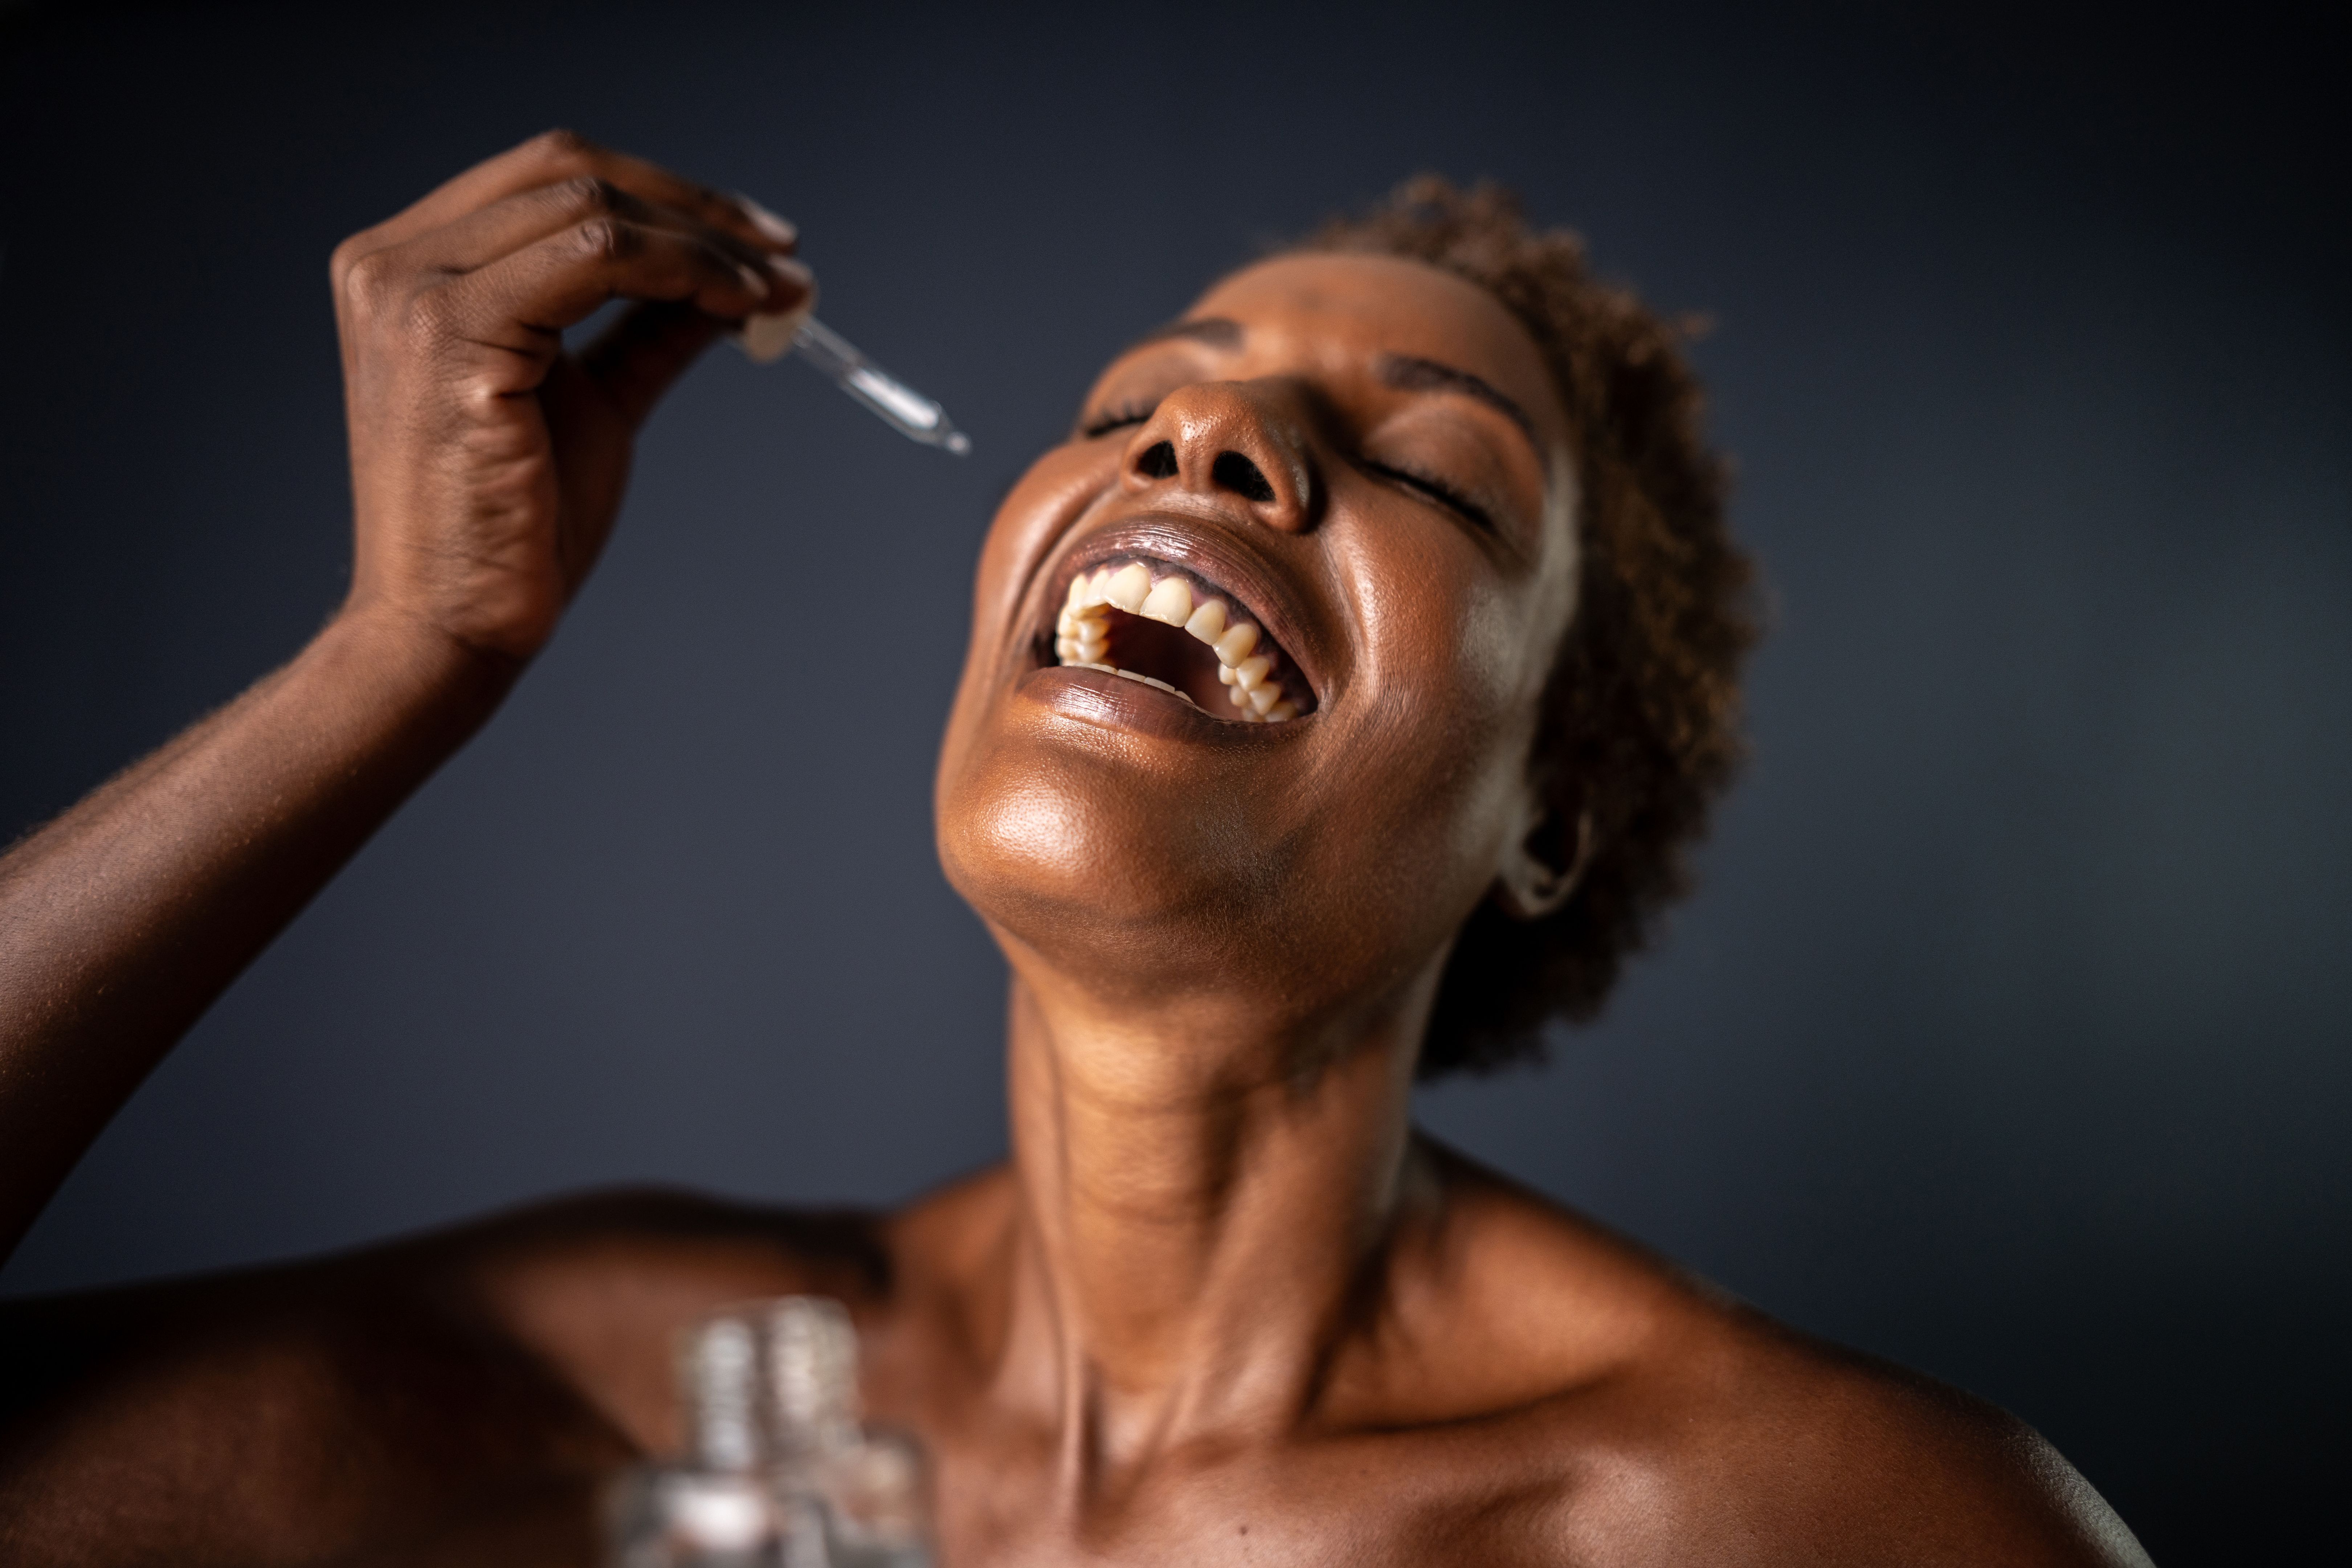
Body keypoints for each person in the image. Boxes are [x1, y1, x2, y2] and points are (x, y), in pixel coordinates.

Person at [0, 132, 2149, 1566]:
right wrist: (398, 658)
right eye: (1129, 409)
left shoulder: (1797, 1520)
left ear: (1550, 822)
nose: (1209, 435)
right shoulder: (602, 1417)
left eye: (1437, 474)